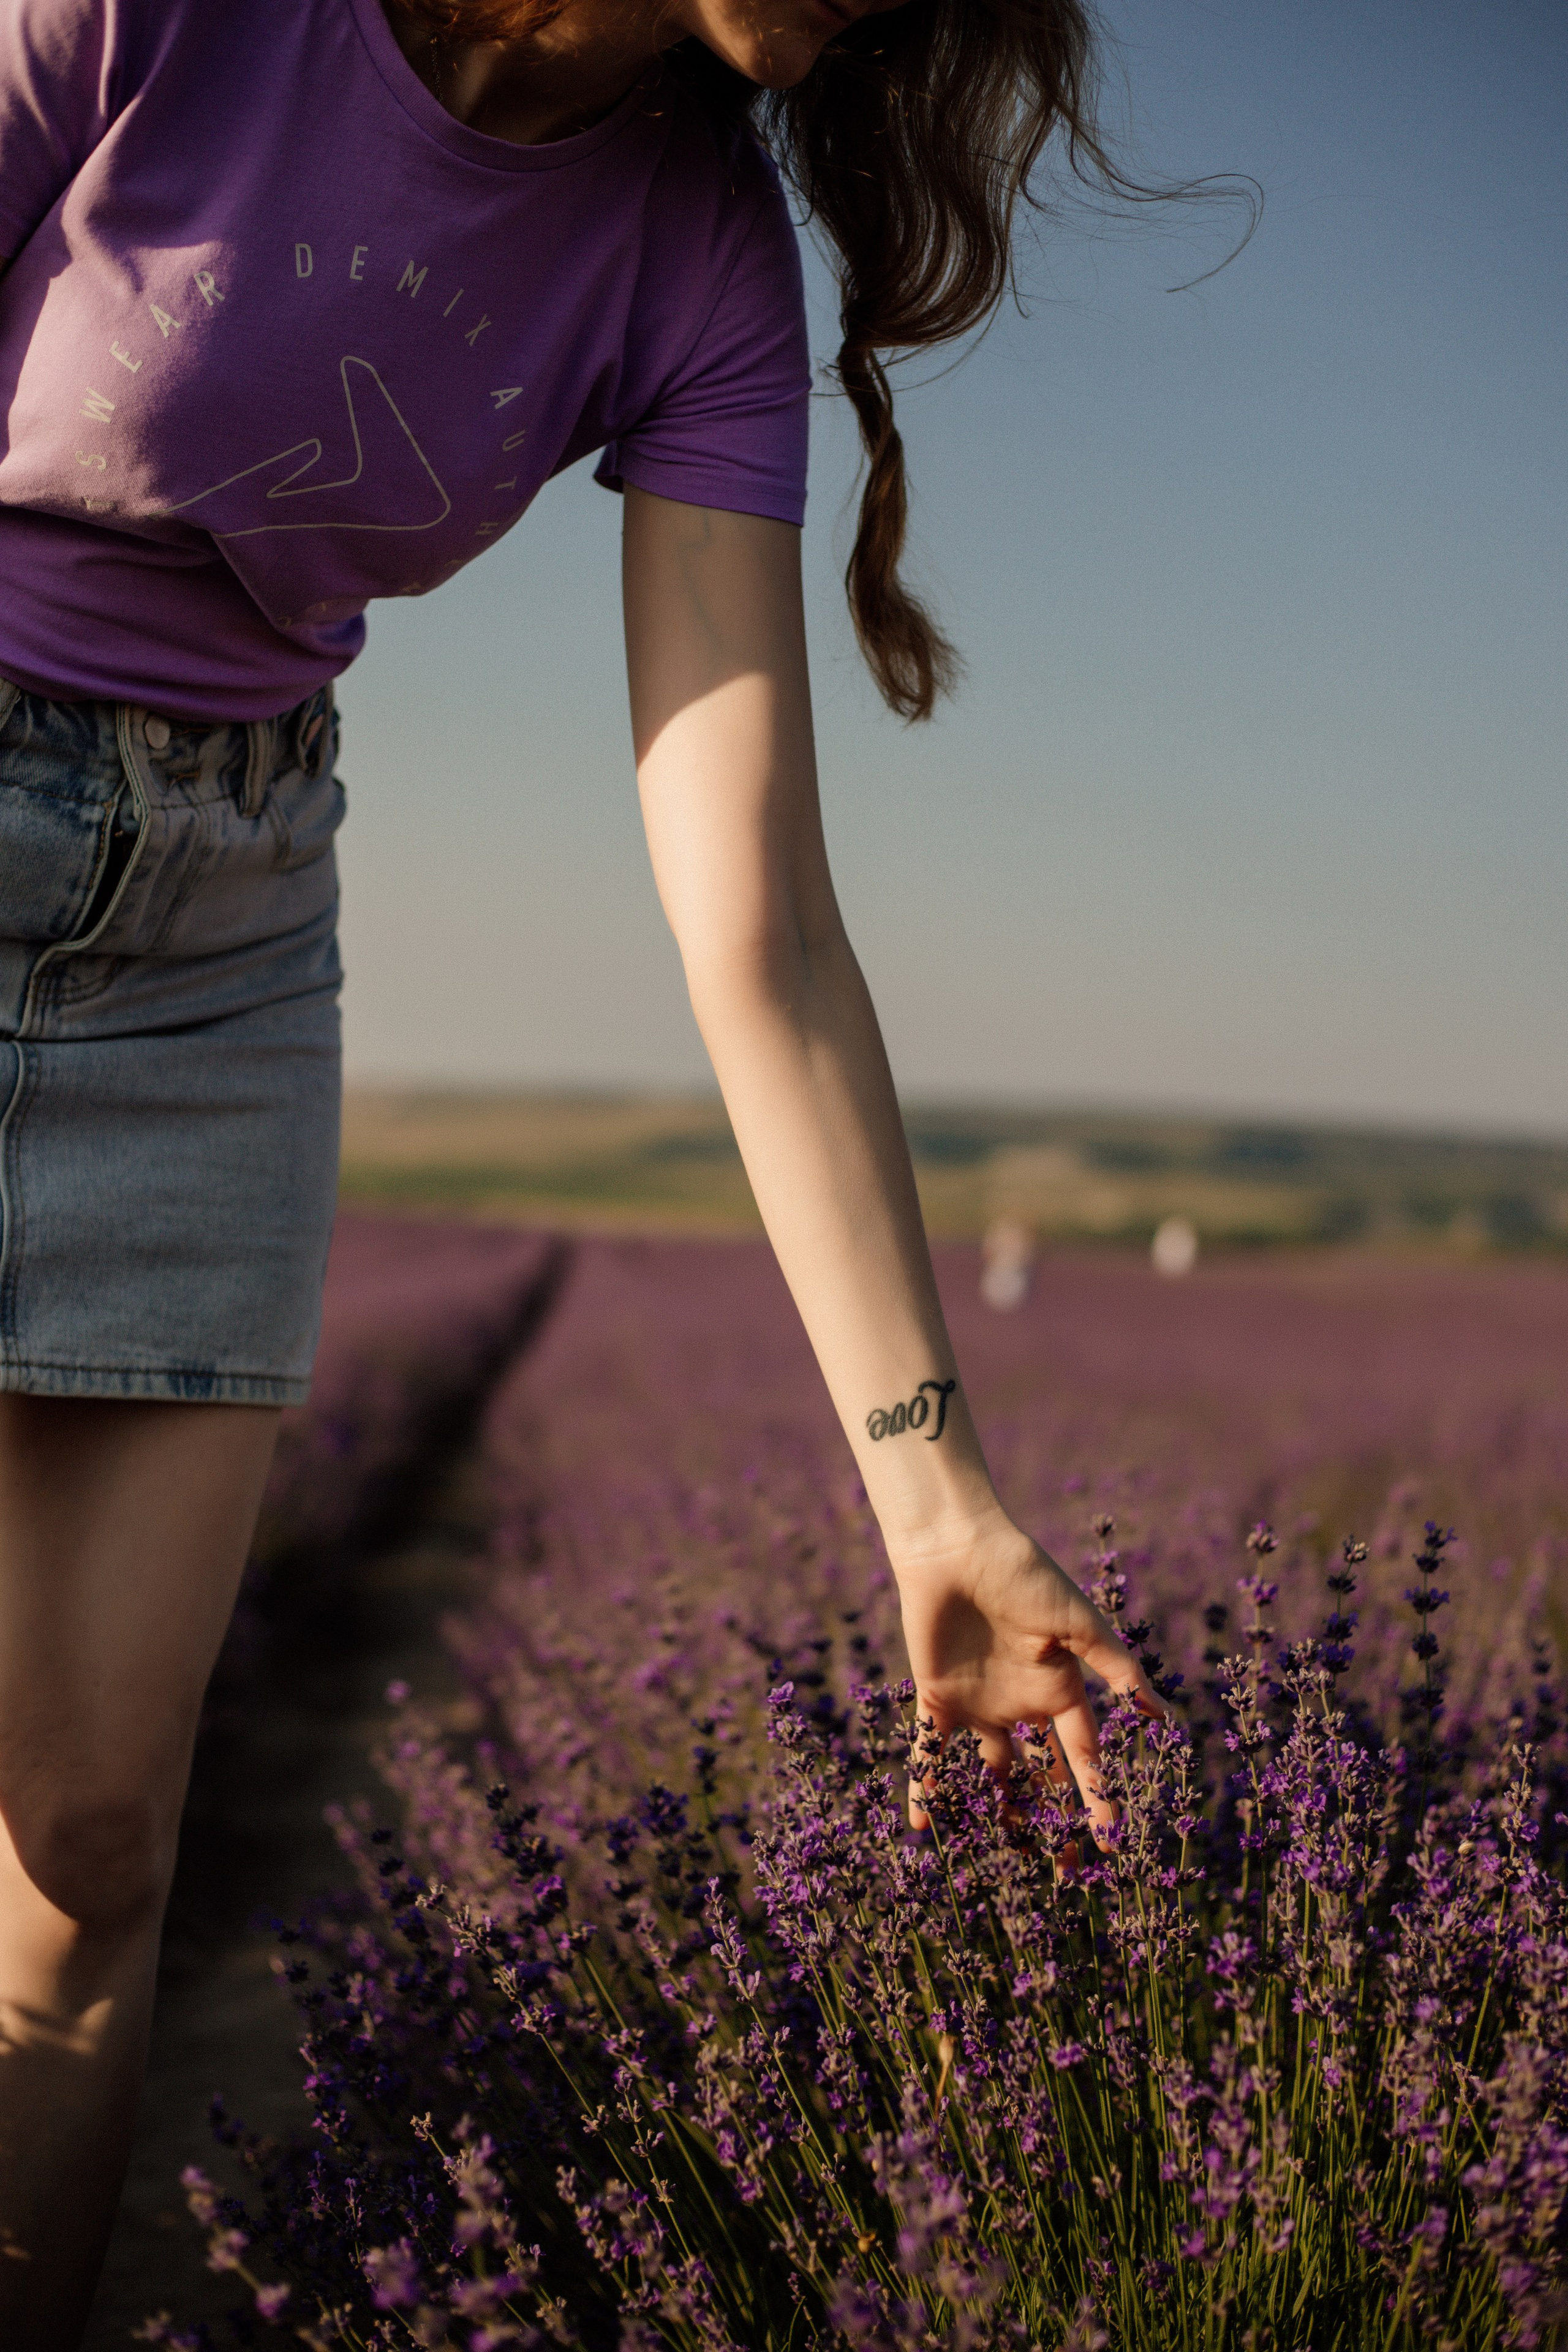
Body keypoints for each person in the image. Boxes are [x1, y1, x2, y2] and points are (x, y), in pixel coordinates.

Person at [0, 0, 1164, 2335]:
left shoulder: (693, 245)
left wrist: (934, 1492)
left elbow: (764, 917)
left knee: (92, 1848)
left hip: (228, 940)